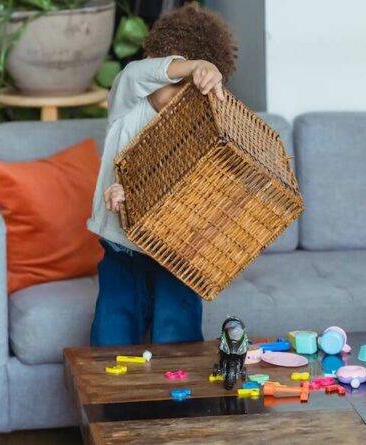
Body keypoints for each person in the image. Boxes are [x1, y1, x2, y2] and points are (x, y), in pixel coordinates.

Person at [86, 3, 237, 346]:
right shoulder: (128, 98)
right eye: (174, 80)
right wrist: (197, 66)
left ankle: (177, 400)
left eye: (189, 90)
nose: (177, 97)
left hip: (176, 254)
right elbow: (142, 72)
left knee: (177, 339)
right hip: (121, 251)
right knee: (111, 336)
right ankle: (115, 400)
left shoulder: (194, 128)